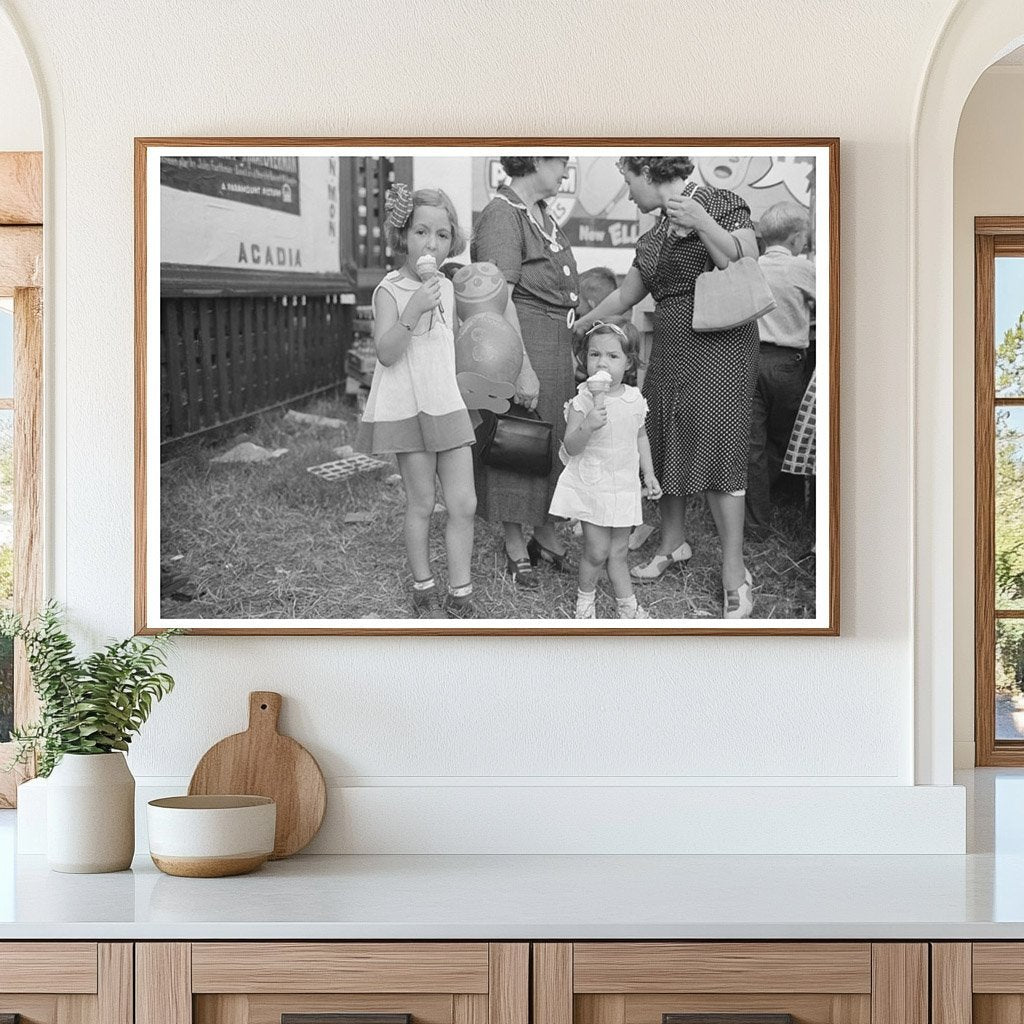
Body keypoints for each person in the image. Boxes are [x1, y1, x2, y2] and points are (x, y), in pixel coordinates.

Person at [575, 156, 759, 619]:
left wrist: (700, 221)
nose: (626, 192)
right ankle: (673, 543)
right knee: (666, 438)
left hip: (721, 341)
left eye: (627, 181)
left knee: (718, 447)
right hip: (672, 343)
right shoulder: (652, 234)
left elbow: (742, 258)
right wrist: (583, 323)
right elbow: (626, 296)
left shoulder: (721, 202)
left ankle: (734, 572)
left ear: (649, 173)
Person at [355, 184, 477, 619]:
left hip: (446, 402)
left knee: (464, 503)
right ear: (403, 235)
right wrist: (412, 310)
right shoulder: (389, 289)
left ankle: (460, 588)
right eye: (422, 232)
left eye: (442, 235)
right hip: (410, 406)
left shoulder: (447, 287)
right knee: (422, 502)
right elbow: (387, 353)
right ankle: (423, 585)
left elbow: (451, 348)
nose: (432, 244)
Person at [472, 156, 580, 588]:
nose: (566, 172)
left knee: (550, 444)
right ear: (534, 157)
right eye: (561, 162)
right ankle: (515, 539)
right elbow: (498, 299)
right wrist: (522, 368)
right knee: (518, 440)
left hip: (555, 343)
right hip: (525, 342)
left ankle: (545, 528)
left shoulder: (538, 213)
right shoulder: (503, 214)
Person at [550, 319, 661, 619]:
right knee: (597, 551)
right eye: (595, 354)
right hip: (594, 483)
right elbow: (571, 446)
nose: (602, 362)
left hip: (623, 485)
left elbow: (641, 437)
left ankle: (628, 607)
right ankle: (585, 602)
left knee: (619, 552)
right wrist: (588, 425)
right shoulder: (582, 400)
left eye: (613, 356)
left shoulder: (634, 398)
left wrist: (648, 474)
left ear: (628, 363)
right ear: (585, 359)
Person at [746, 201, 816, 533]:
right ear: (795, 239)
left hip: (751, 360)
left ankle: (757, 524)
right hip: (788, 364)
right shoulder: (801, 268)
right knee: (791, 439)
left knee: (754, 446)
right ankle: (790, 512)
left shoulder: (751, 267)